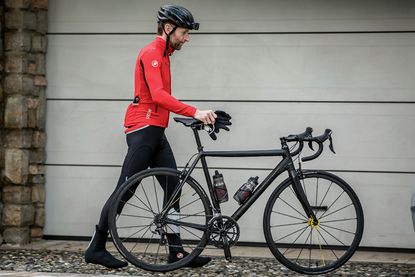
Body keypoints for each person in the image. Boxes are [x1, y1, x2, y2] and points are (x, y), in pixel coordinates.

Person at [84, 4, 224, 269]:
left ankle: (176, 251)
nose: (187, 38)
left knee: (173, 187)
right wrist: (195, 112)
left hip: (156, 130)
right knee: (125, 189)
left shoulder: (165, 53)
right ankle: (96, 246)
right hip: (143, 129)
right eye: (184, 32)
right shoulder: (152, 53)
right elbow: (158, 95)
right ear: (168, 28)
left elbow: (160, 99)